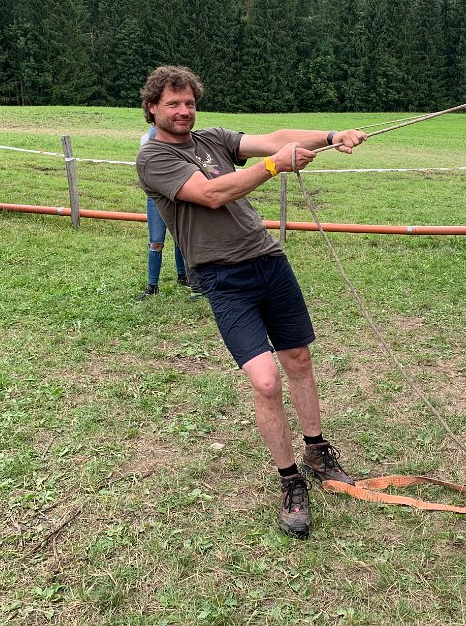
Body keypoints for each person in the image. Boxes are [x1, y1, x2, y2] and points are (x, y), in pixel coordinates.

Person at [136, 65, 367, 537]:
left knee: (298, 359)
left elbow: (275, 138)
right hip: (223, 277)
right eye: (172, 103)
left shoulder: (212, 140)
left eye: (189, 102)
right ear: (152, 107)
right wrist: (273, 166)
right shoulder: (153, 158)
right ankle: (290, 481)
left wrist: (331, 136)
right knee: (265, 381)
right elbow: (211, 194)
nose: (183, 111)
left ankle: (316, 450)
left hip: (268, 260)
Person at [135, 126, 192, 301]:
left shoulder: (179, 140)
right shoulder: (147, 139)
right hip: (156, 199)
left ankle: (183, 276)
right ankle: (152, 286)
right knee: (156, 242)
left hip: (176, 196)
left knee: (179, 239)